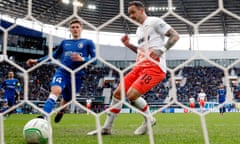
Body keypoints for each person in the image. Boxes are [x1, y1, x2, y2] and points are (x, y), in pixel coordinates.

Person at [88, 1, 179, 135]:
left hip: (154, 68)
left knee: (131, 95)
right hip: (139, 67)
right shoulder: (139, 30)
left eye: (133, 12)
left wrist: (162, 50)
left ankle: (149, 119)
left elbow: (175, 36)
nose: (130, 16)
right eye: (129, 13)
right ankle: (107, 128)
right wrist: (128, 45)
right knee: (117, 94)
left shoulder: (154, 22)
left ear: (142, 10)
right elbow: (140, 51)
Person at [26, 19, 96, 123]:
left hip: (77, 76)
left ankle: (61, 111)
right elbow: (53, 56)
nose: (75, 29)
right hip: (62, 72)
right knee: (56, 91)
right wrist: (37, 60)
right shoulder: (65, 43)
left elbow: (95, 60)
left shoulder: (88, 42)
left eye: (77, 27)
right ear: (70, 29)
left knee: (67, 99)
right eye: (73, 27)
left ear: (81, 29)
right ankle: (44, 117)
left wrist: (83, 59)